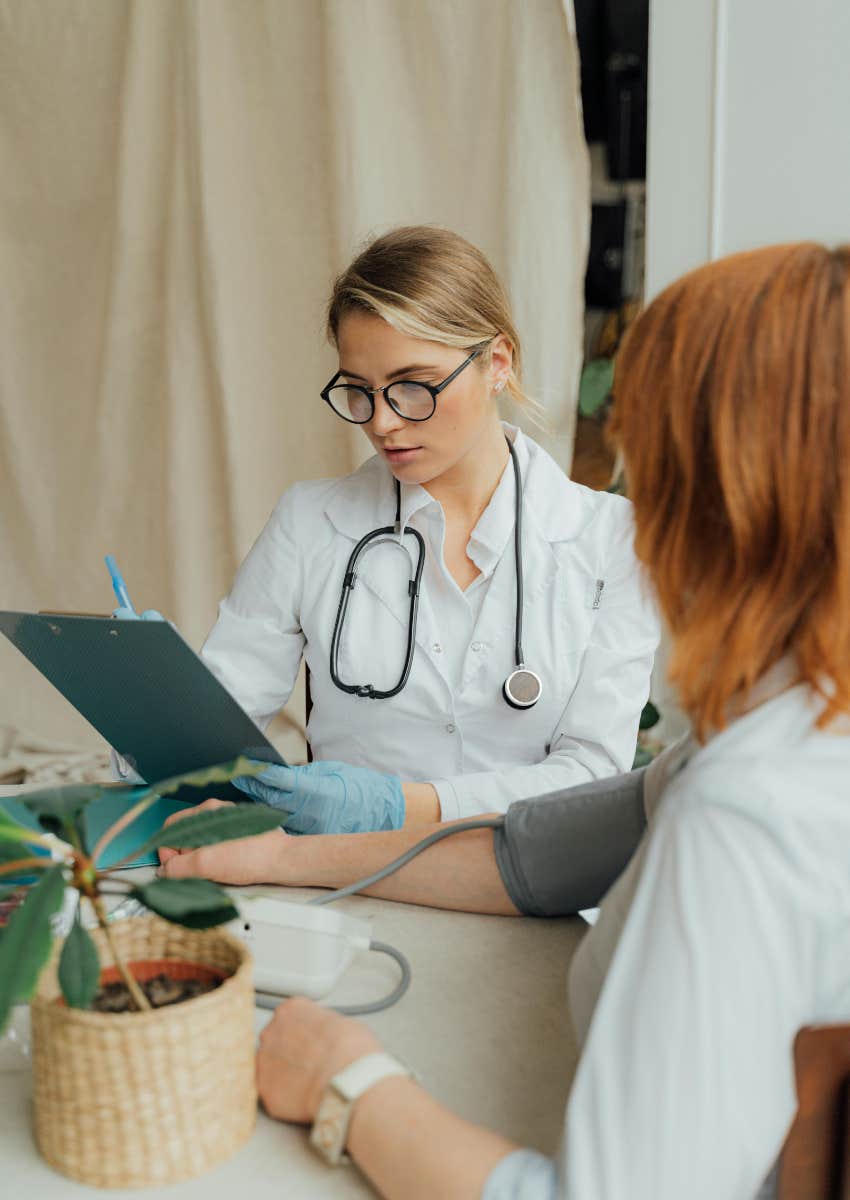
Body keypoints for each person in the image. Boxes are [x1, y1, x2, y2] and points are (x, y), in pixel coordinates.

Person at [160, 242, 850, 1199]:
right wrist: (281, 854)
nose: (633, 504)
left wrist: (345, 1083)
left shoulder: (746, 813)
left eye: (648, 454)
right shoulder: (763, 733)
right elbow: (541, 852)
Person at [192, 225, 658, 833]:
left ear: (496, 362)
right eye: (359, 391)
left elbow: (594, 774)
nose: (382, 421)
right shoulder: (311, 523)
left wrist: (403, 808)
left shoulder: (610, 539)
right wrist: (163, 711)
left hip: (524, 887)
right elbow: (207, 737)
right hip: (344, 883)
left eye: (413, 386)